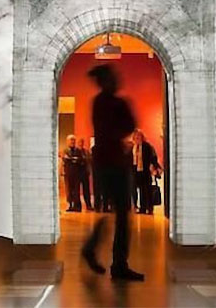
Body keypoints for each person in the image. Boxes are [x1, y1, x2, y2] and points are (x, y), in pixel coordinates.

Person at [80, 64, 144, 281]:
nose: (117, 81)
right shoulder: (112, 103)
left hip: (105, 161)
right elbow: (128, 125)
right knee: (122, 214)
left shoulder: (99, 102)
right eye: (113, 78)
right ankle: (117, 263)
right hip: (113, 162)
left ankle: (96, 250)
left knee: (113, 212)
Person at [132, 130, 162, 214]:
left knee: (147, 190)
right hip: (136, 171)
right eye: (136, 136)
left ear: (142, 137)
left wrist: (154, 167)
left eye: (139, 136)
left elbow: (152, 157)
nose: (137, 138)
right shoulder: (133, 147)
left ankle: (149, 208)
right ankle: (142, 208)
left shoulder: (147, 146)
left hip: (145, 170)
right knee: (140, 190)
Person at [62, 135, 83, 212]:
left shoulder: (78, 151)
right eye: (71, 140)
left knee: (76, 190)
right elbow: (65, 159)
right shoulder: (65, 150)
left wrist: (71, 159)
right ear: (67, 142)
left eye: (73, 140)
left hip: (76, 173)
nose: (72, 142)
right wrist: (73, 159)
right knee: (69, 190)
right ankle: (70, 205)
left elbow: (80, 160)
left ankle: (77, 206)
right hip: (68, 173)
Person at [77, 138, 93, 211]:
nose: (81, 144)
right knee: (77, 190)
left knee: (86, 189)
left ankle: (88, 205)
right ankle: (78, 206)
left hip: (85, 172)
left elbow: (89, 160)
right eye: (80, 142)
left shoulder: (86, 151)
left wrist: (89, 170)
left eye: (82, 142)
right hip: (78, 172)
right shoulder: (76, 151)